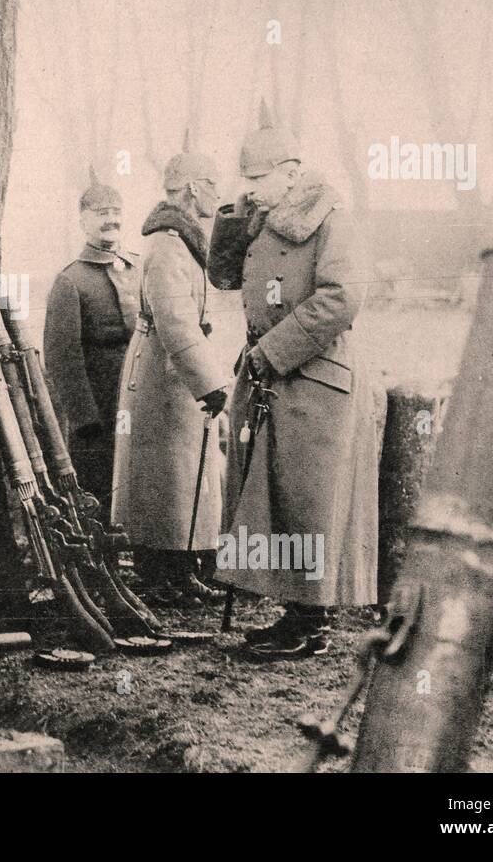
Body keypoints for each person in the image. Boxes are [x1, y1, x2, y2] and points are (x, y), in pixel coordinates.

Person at [208, 102, 384, 659]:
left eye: (258, 179)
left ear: (290, 171)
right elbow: (224, 277)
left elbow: (342, 297)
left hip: (315, 379)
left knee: (311, 504)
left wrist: (273, 352)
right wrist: (233, 219)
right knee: (278, 497)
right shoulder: (264, 215)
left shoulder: (331, 218)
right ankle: (294, 614)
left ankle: (313, 623)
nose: (251, 188)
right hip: (278, 375)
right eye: (247, 180)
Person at [112, 146, 230, 605]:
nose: (219, 196)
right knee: (162, 479)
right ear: (193, 188)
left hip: (178, 368)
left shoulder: (183, 239)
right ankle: (159, 578)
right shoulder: (166, 242)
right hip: (165, 372)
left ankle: (180, 572)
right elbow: (175, 319)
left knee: (184, 478)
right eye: (214, 185)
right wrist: (210, 383)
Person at [43, 183, 140, 511]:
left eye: (116, 212)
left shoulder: (138, 270)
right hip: (99, 407)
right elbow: (61, 358)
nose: (111, 220)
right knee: (98, 488)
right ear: (83, 221)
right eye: (101, 214)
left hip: (141, 400)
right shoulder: (71, 281)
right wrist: (85, 418)